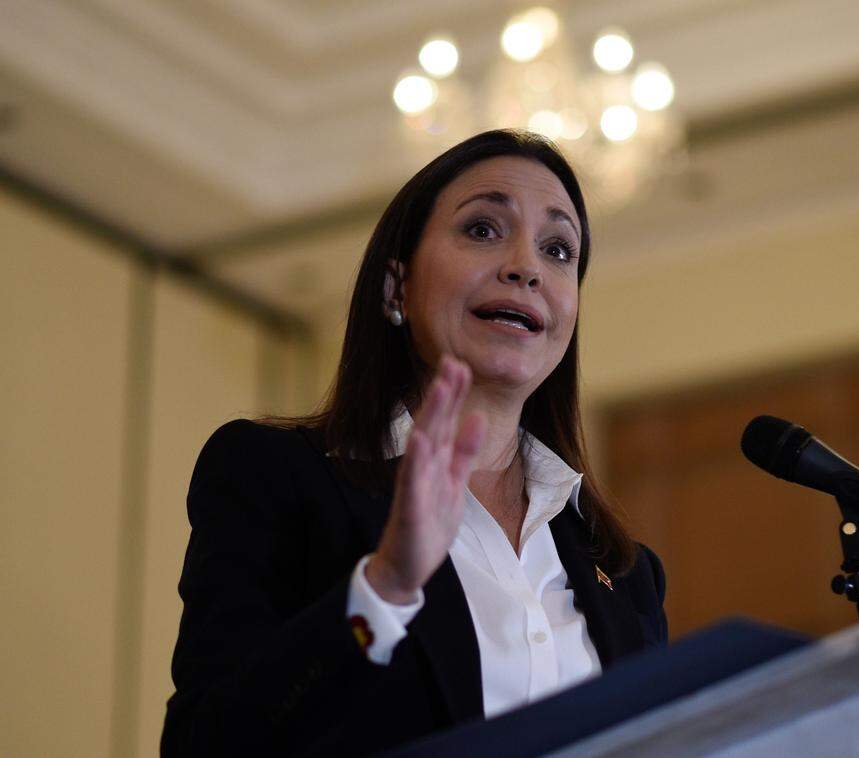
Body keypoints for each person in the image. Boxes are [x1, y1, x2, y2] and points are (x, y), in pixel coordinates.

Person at [161, 130, 668, 757]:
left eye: (559, 249)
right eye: (483, 229)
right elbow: (206, 746)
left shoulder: (626, 572)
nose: (526, 267)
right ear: (395, 287)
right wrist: (385, 588)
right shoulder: (276, 477)